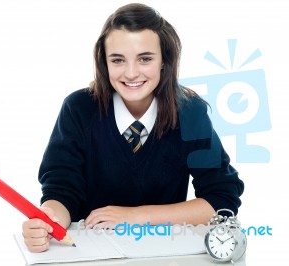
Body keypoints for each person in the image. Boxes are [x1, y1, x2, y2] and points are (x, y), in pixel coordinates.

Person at [22, 3, 244, 252]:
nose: (130, 73)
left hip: (163, 251)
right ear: (104, 63)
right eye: (117, 60)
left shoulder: (190, 113)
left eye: (145, 59)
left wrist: (136, 217)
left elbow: (221, 198)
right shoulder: (79, 108)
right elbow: (62, 188)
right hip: (89, 250)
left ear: (164, 61)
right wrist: (51, 218)